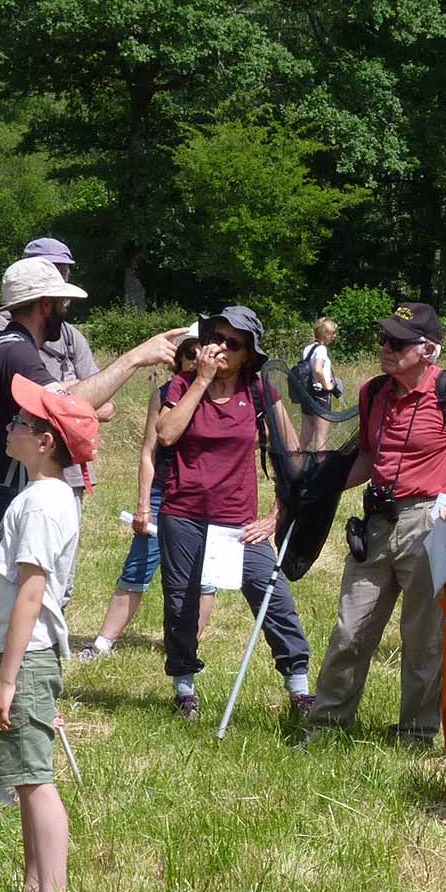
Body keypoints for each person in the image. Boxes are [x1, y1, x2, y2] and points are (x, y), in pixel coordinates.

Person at [0, 257, 181, 798]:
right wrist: (136, 357)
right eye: (61, 301)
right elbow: (64, 408)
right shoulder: (18, 350)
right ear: (46, 304)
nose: (66, 310)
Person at [308, 302, 446, 745]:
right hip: (376, 522)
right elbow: (370, 457)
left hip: (430, 520)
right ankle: (327, 726)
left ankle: (417, 732)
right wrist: (322, 488)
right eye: (383, 339)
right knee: (350, 630)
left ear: (428, 349)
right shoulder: (373, 393)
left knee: (424, 636)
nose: (385, 349)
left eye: (397, 343)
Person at [154, 306, 314, 718]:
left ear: (248, 354)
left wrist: (276, 515)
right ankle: (184, 688)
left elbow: (294, 460)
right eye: (215, 338)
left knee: (272, 595)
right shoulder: (181, 385)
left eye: (233, 343)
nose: (221, 348)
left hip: (239, 522)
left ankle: (299, 688)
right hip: (183, 513)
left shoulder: (260, 393)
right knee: (181, 603)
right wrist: (201, 381)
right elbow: (167, 434)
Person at [0, 377, 96, 892]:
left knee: (36, 780)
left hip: (22, 658)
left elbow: (31, 590)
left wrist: (7, 679)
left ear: (46, 441)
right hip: (18, 657)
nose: (11, 427)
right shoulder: (38, 496)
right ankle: (34, 886)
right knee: (25, 779)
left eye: (22, 423)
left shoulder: (45, 504)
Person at [76, 334, 216, 660]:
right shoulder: (163, 395)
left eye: (203, 354)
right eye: (190, 355)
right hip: (161, 495)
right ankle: (102, 644)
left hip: (203, 501)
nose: (197, 361)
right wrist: (143, 505)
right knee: (137, 568)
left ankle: (184, 649)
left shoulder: (219, 398)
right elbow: (147, 453)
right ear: (178, 361)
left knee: (205, 578)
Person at [0, 237, 113, 495]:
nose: (61, 283)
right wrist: (66, 398)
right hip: (19, 472)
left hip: (60, 470)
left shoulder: (70, 335)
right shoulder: (6, 340)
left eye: (63, 272)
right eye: (53, 271)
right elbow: (53, 405)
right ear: (43, 302)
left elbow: (107, 407)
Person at [296, 316, 342, 451]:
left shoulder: (307, 349)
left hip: (307, 394)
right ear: (326, 334)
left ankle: (298, 465)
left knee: (305, 436)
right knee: (321, 438)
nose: (334, 336)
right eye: (333, 333)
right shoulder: (321, 349)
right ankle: (320, 469)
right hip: (321, 395)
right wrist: (327, 385)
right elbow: (317, 369)